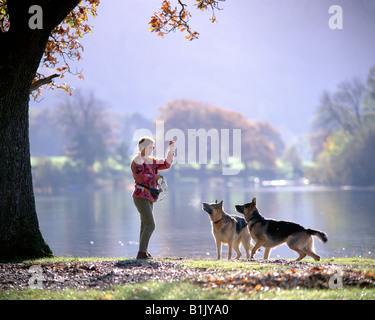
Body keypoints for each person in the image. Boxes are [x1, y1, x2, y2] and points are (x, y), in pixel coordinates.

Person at [131, 136, 175, 259]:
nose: (153, 149)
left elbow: (166, 164)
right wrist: (154, 178)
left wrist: (171, 151)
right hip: (140, 196)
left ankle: (143, 252)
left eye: (153, 147)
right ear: (143, 148)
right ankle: (142, 253)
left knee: (144, 224)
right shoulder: (137, 161)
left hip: (149, 196)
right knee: (150, 224)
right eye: (151, 147)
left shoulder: (151, 160)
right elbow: (139, 177)